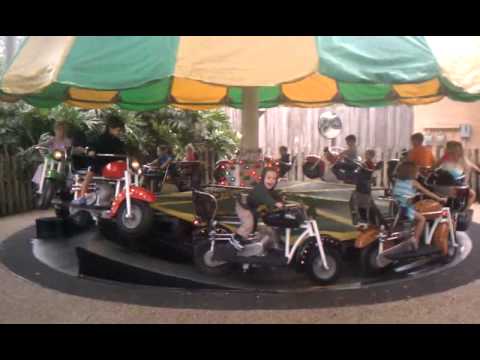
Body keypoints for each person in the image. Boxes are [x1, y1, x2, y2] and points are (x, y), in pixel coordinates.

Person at [71, 114, 126, 205]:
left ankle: (119, 198)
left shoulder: (118, 142)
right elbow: (93, 146)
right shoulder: (100, 139)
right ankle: (82, 196)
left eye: (120, 130)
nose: (119, 132)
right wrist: (91, 151)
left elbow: (121, 152)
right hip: (98, 163)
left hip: (110, 165)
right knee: (92, 170)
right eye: (118, 130)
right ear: (110, 128)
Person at [393, 161, 447, 250]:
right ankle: (415, 239)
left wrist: (414, 193)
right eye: (416, 171)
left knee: (416, 215)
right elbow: (427, 192)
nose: (418, 173)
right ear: (411, 172)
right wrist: (440, 199)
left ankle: (408, 233)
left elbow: (401, 192)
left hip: (397, 207)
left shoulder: (397, 181)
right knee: (422, 219)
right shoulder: (413, 182)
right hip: (405, 208)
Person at [232, 167, 284, 250]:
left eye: (274, 178)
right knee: (249, 223)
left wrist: (283, 202)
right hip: (243, 206)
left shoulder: (270, 191)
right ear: (263, 178)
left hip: (252, 208)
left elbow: (276, 197)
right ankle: (236, 239)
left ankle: (273, 241)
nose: (271, 181)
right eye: (268, 178)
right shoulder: (260, 189)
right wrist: (275, 203)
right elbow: (265, 198)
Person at [436, 141, 480, 209]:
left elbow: (470, 165)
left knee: (469, 193)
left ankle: (462, 211)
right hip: (452, 186)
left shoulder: (450, 157)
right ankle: (464, 212)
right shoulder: (451, 157)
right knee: (472, 194)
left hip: (451, 185)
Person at [32, 120, 72, 186]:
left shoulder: (67, 141)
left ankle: (67, 185)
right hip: (51, 159)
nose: (60, 131)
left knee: (69, 169)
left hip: (62, 159)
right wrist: (38, 146)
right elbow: (45, 144)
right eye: (58, 129)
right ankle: (38, 185)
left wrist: (67, 150)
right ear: (55, 130)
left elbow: (69, 148)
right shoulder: (52, 139)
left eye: (62, 129)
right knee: (41, 166)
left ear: (65, 131)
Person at [350, 149, 379, 227]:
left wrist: (364, 168)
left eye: (368, 154)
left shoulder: (370, 164)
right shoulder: (364, 163)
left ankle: (367, 221)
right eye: (366, 154)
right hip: (360, 187)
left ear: (372, 156)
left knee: (365, 205)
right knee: (360, 205)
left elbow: (370, 173)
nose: (366, 156)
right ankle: (362, 220)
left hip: (365, 188)